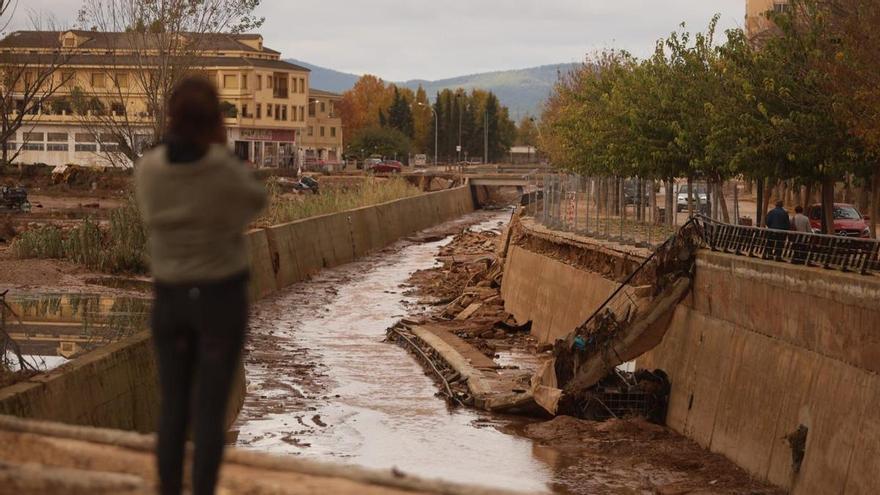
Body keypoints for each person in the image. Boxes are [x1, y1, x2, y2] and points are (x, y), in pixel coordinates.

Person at [135, 77, 266, 495]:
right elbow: (256, 201)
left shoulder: (150, 168)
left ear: (172, 117)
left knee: (173, 407)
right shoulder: (223, 169)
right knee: (209, 413)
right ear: (215, 122)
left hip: (171, 302)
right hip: (219, 302)